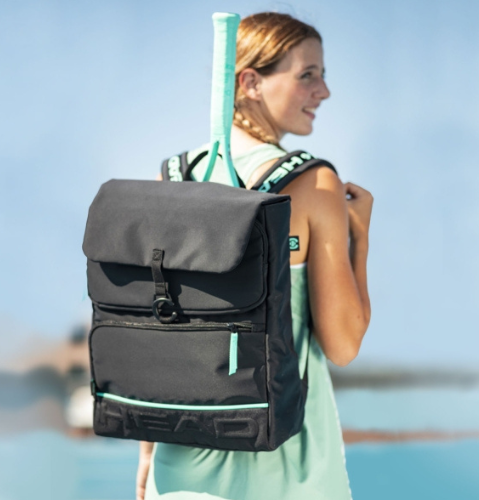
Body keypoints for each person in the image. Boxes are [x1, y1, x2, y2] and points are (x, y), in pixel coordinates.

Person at [137, 12, 373, 500]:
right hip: (288, 466)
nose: (324, 91)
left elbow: (154, 331)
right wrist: (360, 240)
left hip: (179, 461)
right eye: (307, 75)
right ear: (250, 83)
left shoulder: (171, 178)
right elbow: (343, 344)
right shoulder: (313, 184)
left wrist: (147, 454)